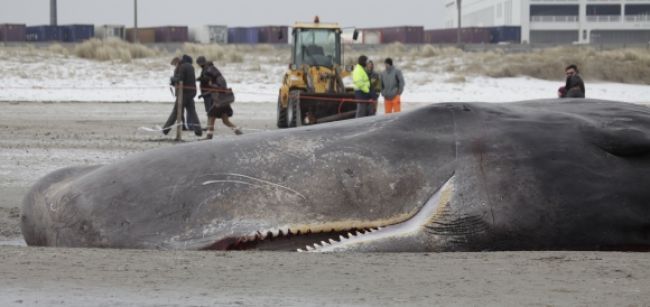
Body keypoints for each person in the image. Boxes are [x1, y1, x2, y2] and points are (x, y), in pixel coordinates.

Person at [197, 56, 242, 139]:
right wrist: (205, 93)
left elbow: (216, 88)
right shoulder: (217, 74)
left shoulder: (212, 74)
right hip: (223, 100)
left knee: (211, 115)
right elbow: (216, 88)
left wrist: (208, 86)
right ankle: (238, 131)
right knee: (225, 120)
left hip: (219, 101)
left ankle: (209, 135)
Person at [163, 54, 202, 137]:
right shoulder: (191, 67)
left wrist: (172, 79)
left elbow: (180, 79)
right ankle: (198, 130)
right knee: (192, 112)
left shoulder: (183, 67)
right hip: (191, 93)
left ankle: (166, 129)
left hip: (183, 94)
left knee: (175, 112)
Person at [163, 57, 187, 131]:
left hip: (180, 91)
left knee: (178, 109)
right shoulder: (178, 68)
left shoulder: (180, 68)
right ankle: (183, 125)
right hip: (178, 90)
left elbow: (179, 78)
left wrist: (172, 79)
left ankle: (168, 128)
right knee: (180, 110)